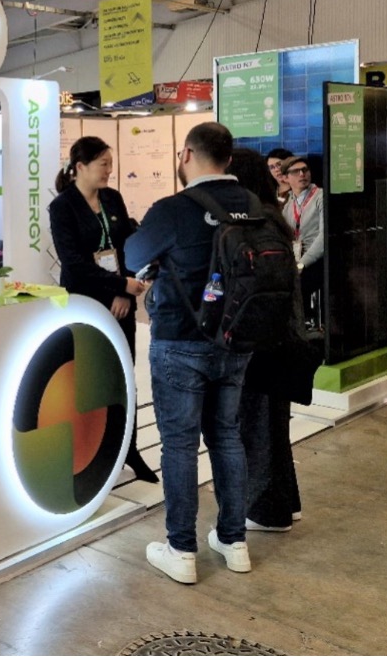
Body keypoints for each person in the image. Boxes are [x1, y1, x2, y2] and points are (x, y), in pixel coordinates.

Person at [125, 122, 253, 584]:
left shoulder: (173, 209)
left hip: (180, 339)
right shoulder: (255, 205)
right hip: (236, 339)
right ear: (229, 160)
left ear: (185, 155)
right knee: (227, 437)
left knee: (179, 445)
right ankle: (235, 541)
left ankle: (181, 550)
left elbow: (132, 256)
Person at [48, 136, 156, 483]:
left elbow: (126, 247)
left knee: (123, 374)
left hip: (119, 303)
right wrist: (119, 285)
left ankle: (129, 447)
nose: (110, 170)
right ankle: (94, 454)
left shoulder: (112, 198)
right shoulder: (63, 207)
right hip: (86, 303)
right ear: (80, 167)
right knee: (91, 377)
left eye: (110, 163)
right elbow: (74, 263)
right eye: (103, 164)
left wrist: (125, 291)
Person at [230, 148, 306, 530]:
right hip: (281, 336)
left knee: (257, 425)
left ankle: (264, 510)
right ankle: (283, 504)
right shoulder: (272, 216)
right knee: (274, 426)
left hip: (258, 339)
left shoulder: (249, 222)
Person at [279, 156, 323, 326]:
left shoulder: (320, 196)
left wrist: (302, 263)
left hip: (316, 260)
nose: (302, 174)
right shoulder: (287, 203)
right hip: (295, 258)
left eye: (305, 170)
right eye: (296, 171)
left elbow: (323, 237)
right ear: (285, 178)